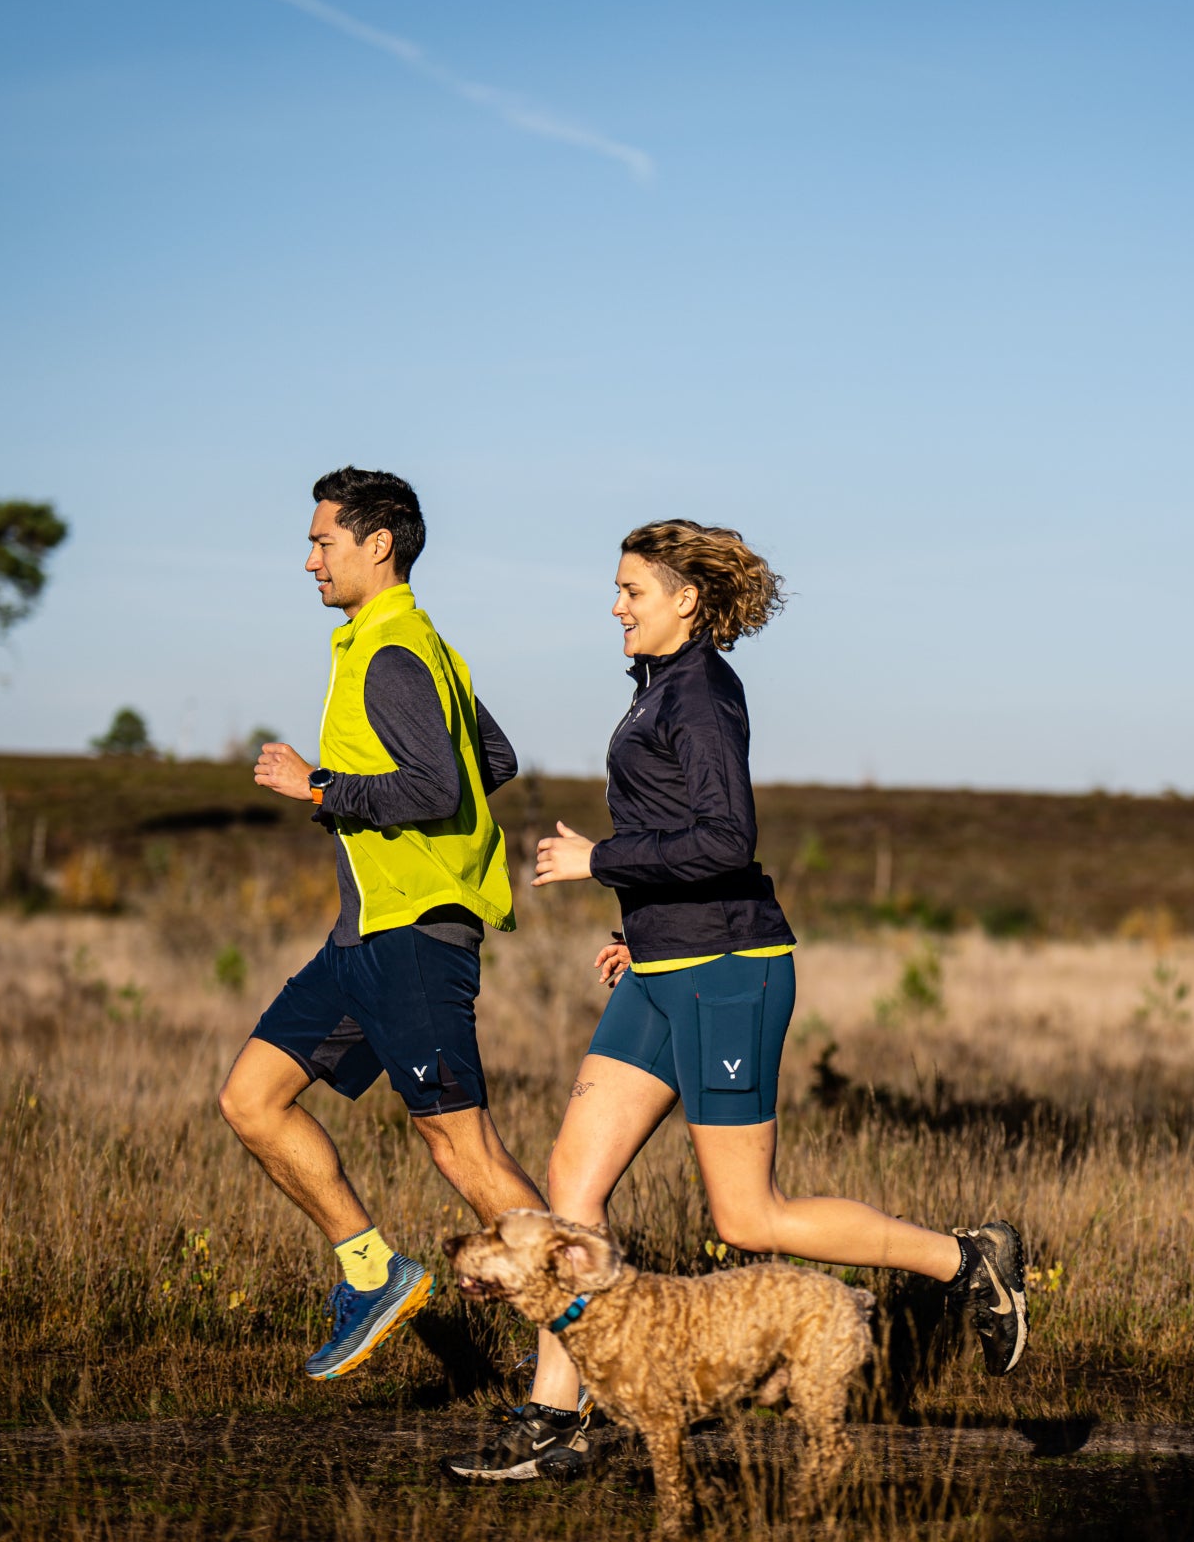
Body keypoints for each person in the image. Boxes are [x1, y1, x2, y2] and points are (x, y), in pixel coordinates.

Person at [441, 519, 1026, 1484]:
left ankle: (964, 1261)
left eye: (633, 590)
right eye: (618, 589)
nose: (616, 605)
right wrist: (641, 928)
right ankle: (558, 1417)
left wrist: (599, 860)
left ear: (686, 601)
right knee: (573, 1187)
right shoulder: (655, 692)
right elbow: (681, 837)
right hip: (667, 968)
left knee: (747, 1217)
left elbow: (724, 838)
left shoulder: (704, 693)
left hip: (729, 971)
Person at [220, 467, 545, 1381]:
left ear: (379, 545)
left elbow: (442, 785)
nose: (310, 559)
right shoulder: (409, 645)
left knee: (460, 1144)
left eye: (324, 541)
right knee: (251, 1098)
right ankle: (373, 1275)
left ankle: (587, 1335)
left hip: (413, 937)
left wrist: (318, 785)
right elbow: (495, 759)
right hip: (362, 935)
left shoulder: (395, 650)